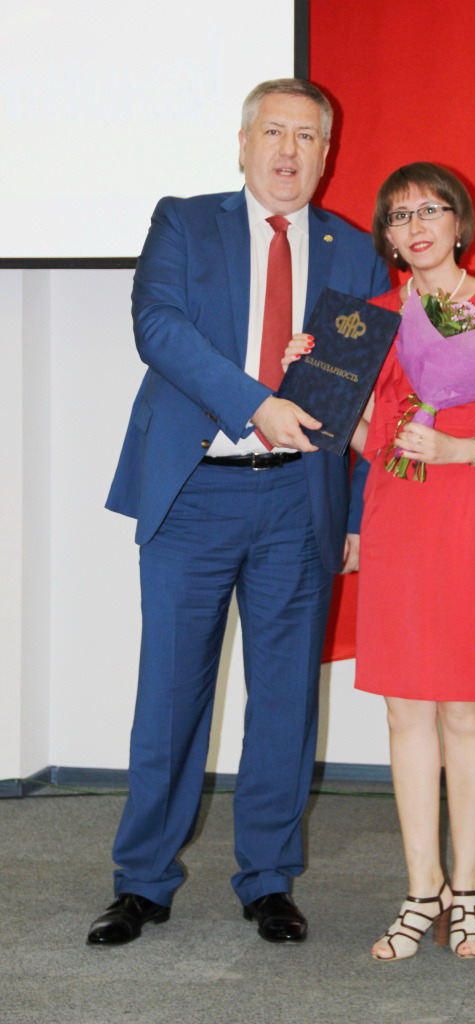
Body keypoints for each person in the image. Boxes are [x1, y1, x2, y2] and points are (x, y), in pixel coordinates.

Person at [86, 79, 389, 947]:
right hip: (194, 492)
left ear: (327, 154)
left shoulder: (356, 252)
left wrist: (357, 513)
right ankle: (143, 881)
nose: (289, 151)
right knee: (170, 695)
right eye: (274, 132)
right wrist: (255, 402)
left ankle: (268, 879)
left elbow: (368, 389)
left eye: (307, 137)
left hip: (300, 500)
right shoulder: (185, 223)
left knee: (286, 699)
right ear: (245, 143)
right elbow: (158, 328)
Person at [287, 162, 475, 961]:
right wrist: (316, 374)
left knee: (465, 710)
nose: (416, 225)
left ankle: (466, 890)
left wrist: (463, 449)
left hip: (468, 517)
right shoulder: (369, 320)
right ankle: (420, 889)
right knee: (404, 713)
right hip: (396, 518)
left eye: (431, 209)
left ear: (459, 222)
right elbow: (369, 438)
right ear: (388, 238)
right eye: (400, 216)